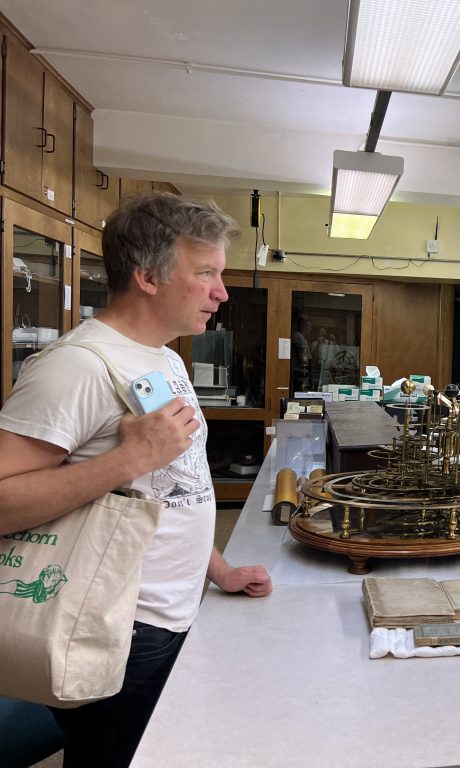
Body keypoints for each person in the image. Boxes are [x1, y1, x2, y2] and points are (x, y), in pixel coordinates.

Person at [0, 193, 273, 766]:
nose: (222, 292)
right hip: (114, 623)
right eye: (206, 274)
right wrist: (126, 461)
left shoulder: (164, 357)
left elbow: (174, 482)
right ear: (148, 276)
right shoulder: (76, 366)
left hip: (170, 614)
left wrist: (217, 568)